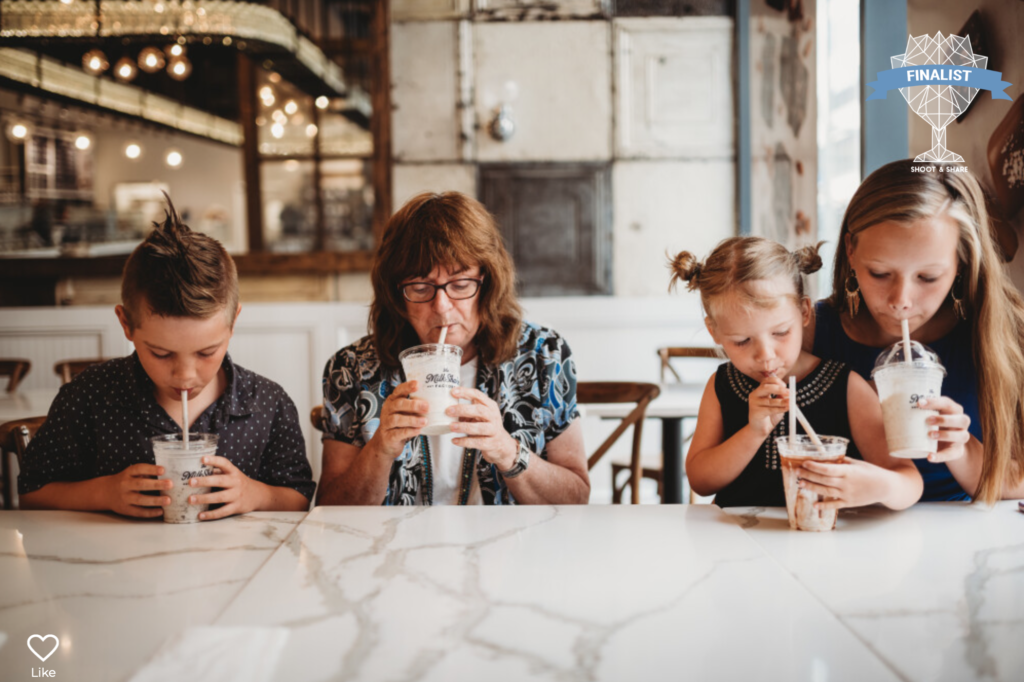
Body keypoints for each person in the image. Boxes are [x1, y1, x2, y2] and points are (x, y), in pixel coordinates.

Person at [19, 197, 315, 519]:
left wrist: (254, 494)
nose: (185, 375)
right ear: (125, 324)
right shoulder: (89, 396)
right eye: (160, 353)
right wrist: (103, 492)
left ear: (233, 324)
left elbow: (299, 496)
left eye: (206, 352)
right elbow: (32, 493)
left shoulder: (267, 404)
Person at [317, 192, 589, 506]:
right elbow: (329, 509)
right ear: (396, 294)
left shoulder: (543, 355)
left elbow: (577, 497)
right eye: (420, 288)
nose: (442, 308)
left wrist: (507, 450)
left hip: (511, 551)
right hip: (394, 550)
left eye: (460, 285)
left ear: (486, 284)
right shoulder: (351, 368)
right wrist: (380, 449)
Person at [810, 159, 1024, 504]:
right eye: (879, 273)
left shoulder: (1003, 335)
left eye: (927, 278)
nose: (901, 301)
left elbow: (1018, 479)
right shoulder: (806, 335)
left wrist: (963, 448)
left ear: (962, 262)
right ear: (850, 250)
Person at [673, 237, 922, 509]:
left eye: (780, 333)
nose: (765, 355)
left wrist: (879, 486)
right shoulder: (722, 385)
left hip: (824, 542)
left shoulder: (844, 386)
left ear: (804, 312)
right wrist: (754, 431)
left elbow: (910, 481)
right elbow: (700, 481)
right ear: (714, 331)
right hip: (737, 540)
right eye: (742, 341)